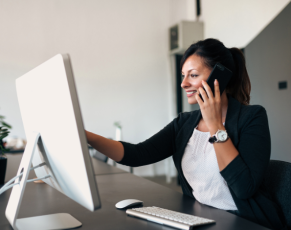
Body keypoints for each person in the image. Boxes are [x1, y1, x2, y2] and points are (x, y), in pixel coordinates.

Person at [86, 38, 287, 230]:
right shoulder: (184, 124)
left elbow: (244, 188)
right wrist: (86, 136)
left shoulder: (252, 118)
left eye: (193, 75)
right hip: (204, 218)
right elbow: (137, 154)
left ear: (220, 76)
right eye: (183, 76)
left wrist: (215, 124)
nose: (183, 83)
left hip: (246, 222)